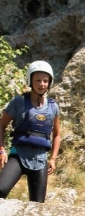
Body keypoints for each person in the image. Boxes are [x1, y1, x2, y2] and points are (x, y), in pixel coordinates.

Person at [0, 61, 61, 203]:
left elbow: (57, 135)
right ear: (30, 81)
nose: (42, 84)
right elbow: (1, 125)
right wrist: (1, 150)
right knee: (1, 189)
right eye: (38, 80)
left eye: (45, 81)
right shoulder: (18, 102)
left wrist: (52, 159)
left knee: (37, 205)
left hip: (40, 160)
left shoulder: (53, 107)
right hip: (18, 155)